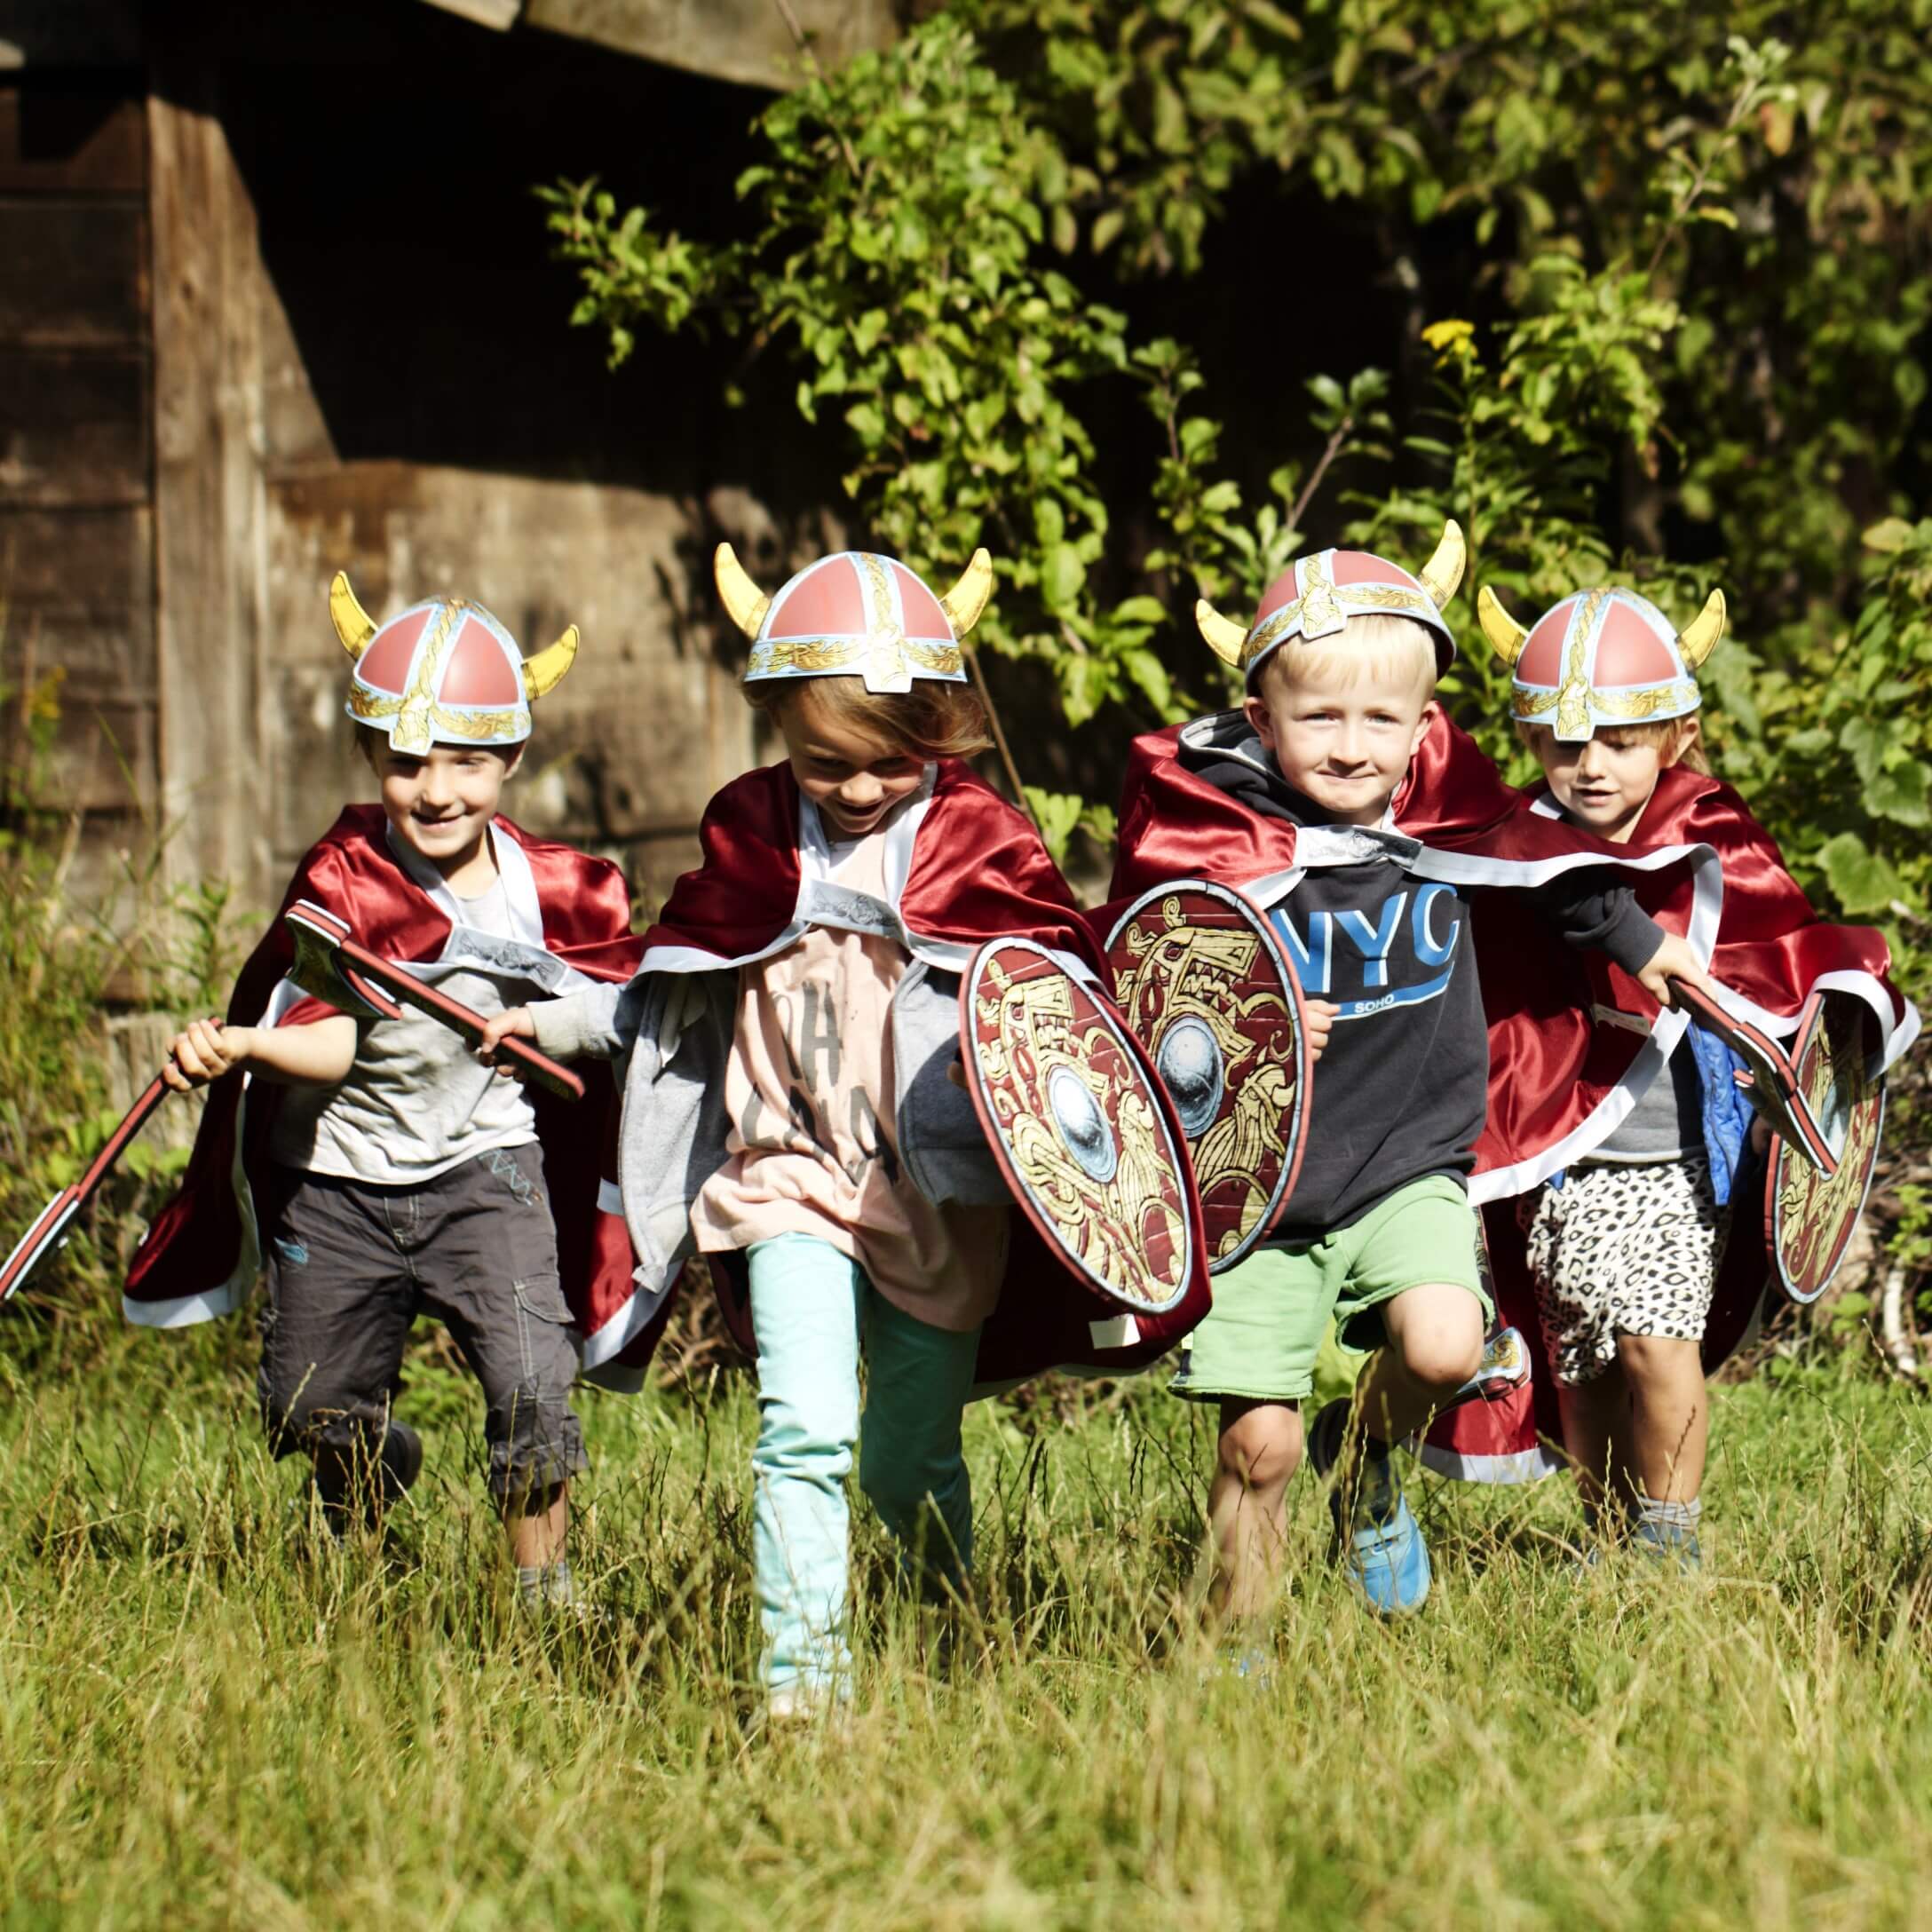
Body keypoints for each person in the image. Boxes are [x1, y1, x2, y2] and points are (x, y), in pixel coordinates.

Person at [482, 543, 1170, 1720]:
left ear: (941, 733)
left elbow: (1061, 1009)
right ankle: (803, 1688)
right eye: (826, 761)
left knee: (910, 1464)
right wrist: (561, 1015)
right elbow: (675, 977)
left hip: (937, 1200)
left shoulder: (980, 839)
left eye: (889, 763)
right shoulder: (752, 832)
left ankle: (955, 1634)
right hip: (786, 1177)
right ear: (780, 730)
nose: (855, 790)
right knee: (802, 1434)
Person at [1108, 527, 1722, 1626]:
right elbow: (1148, 977)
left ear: (1423, 724)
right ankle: (1230, 1665)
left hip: (1407, 1164)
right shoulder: (1214, 835)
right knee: (1257, 1447)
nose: (1351, 746)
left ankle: (1372, 1456)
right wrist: (1248, 1017)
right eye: (1319, 717)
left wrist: (1638, 941)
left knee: (1444, 1347)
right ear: (1262, 720)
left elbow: (1547, 870)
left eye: (1380, 719)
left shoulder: (1447, 810)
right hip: (1262, 1191)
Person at [127, 578, 650, 1610]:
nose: (438, 788)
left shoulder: (554, 892)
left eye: (467, 760)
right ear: (373, 757)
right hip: (339, 1179)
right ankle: (362, 1593)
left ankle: (547, 1601)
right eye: (410, 761)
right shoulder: (345, 881)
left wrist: (569, 1027)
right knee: (308, 1404)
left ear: (511, 759)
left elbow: (614, 1012)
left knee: (531, 1379)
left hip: (484, 1169)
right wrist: (239, 1044)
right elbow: (329, 1049)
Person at [1431, 581, 1920, 1566]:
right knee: (1585, 1367)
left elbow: (1781, 947)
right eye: (1566, 743)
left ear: (1676, 733)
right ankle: (1610, 1538)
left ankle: (1671, 1545)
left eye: (1619, 739)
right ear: (1532, 743)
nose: (1590, 765)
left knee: (1658, 1345)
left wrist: (1831, 1032)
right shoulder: (1516, 838)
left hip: (1672, 1152)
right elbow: (1562, 896)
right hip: (1554, 1154)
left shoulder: (1710, 827)